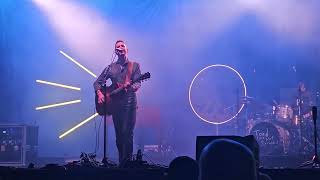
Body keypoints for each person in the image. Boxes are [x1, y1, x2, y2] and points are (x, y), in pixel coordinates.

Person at [93, 40, 141, 163]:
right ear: (115, 51)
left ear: (127, 50)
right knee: (119, 135)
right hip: (115, 104)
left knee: (128, 133)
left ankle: (128, 162)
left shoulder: (134, 66)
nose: (120, 48)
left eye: (122, 46)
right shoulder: (110, 67)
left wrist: (132, 87)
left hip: (130, 103)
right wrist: (99, 94)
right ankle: (122, 161)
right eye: (117, 47)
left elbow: (137, 82)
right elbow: (97, 83)